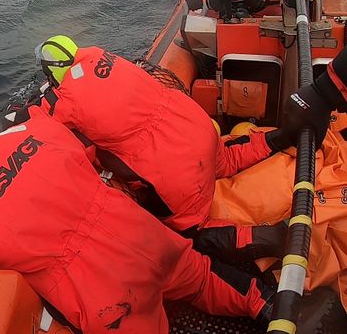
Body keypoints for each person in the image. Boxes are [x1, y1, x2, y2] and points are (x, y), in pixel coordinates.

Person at [0, 109, 273, 334]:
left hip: (105, 294)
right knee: (200, 277)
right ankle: (267, 305)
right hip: (143, 234)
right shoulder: (37, 132)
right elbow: (81, 142)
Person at [30, 35, 347, 262]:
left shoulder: (61, 102)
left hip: (177, 178)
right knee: (224, 158)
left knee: (187, 232)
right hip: (197, 128)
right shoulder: (105, 58)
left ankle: (273, 237)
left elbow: (47, 133)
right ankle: (280, 138)